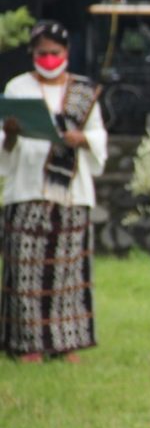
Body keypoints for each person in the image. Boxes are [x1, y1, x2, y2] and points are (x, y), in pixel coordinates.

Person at [0, 21, 108, 363]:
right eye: (42, 53)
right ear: (33, 54)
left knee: (68, 272)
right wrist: (13, 134)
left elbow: (98, 135)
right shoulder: (18, 88)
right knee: (25, 270)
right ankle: (27, 343)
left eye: (55, 53)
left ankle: (64, 342)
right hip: (28, 187)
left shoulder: (82, 91)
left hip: (71, 193)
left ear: (67, 53)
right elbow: (5, 143)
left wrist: (84, 140)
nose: (48, 59)